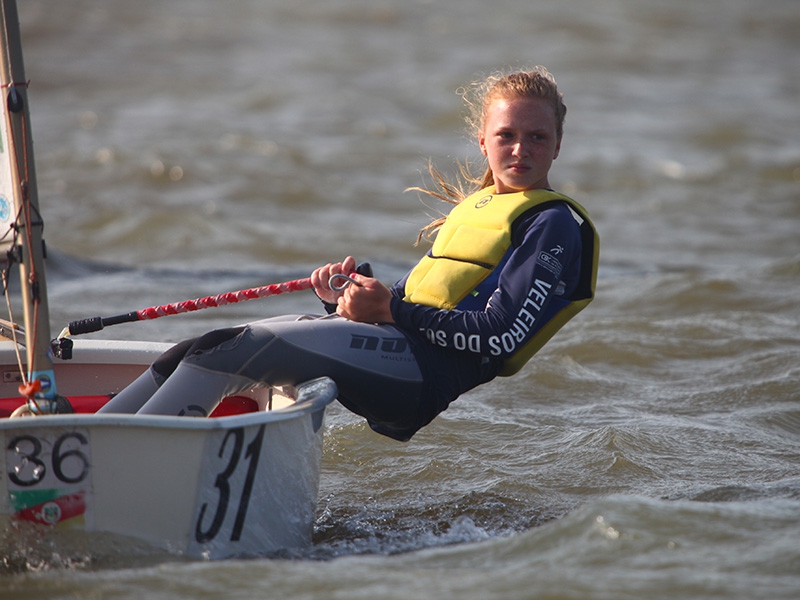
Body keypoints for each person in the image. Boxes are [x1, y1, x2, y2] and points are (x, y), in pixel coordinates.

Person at [99, 66, 599, 442]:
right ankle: (84, 441)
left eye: (537, 137)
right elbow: (428, 298)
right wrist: (342, 302)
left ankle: (125, 466)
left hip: (422, 375)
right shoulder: (484, 206)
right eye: (506, 136)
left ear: (558, 145)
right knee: (193, 348)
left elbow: (501, 336)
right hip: (398, 347)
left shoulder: (550, 223)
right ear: (482, 141)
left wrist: (390, 310)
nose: (520, 150)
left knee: (226, 352)